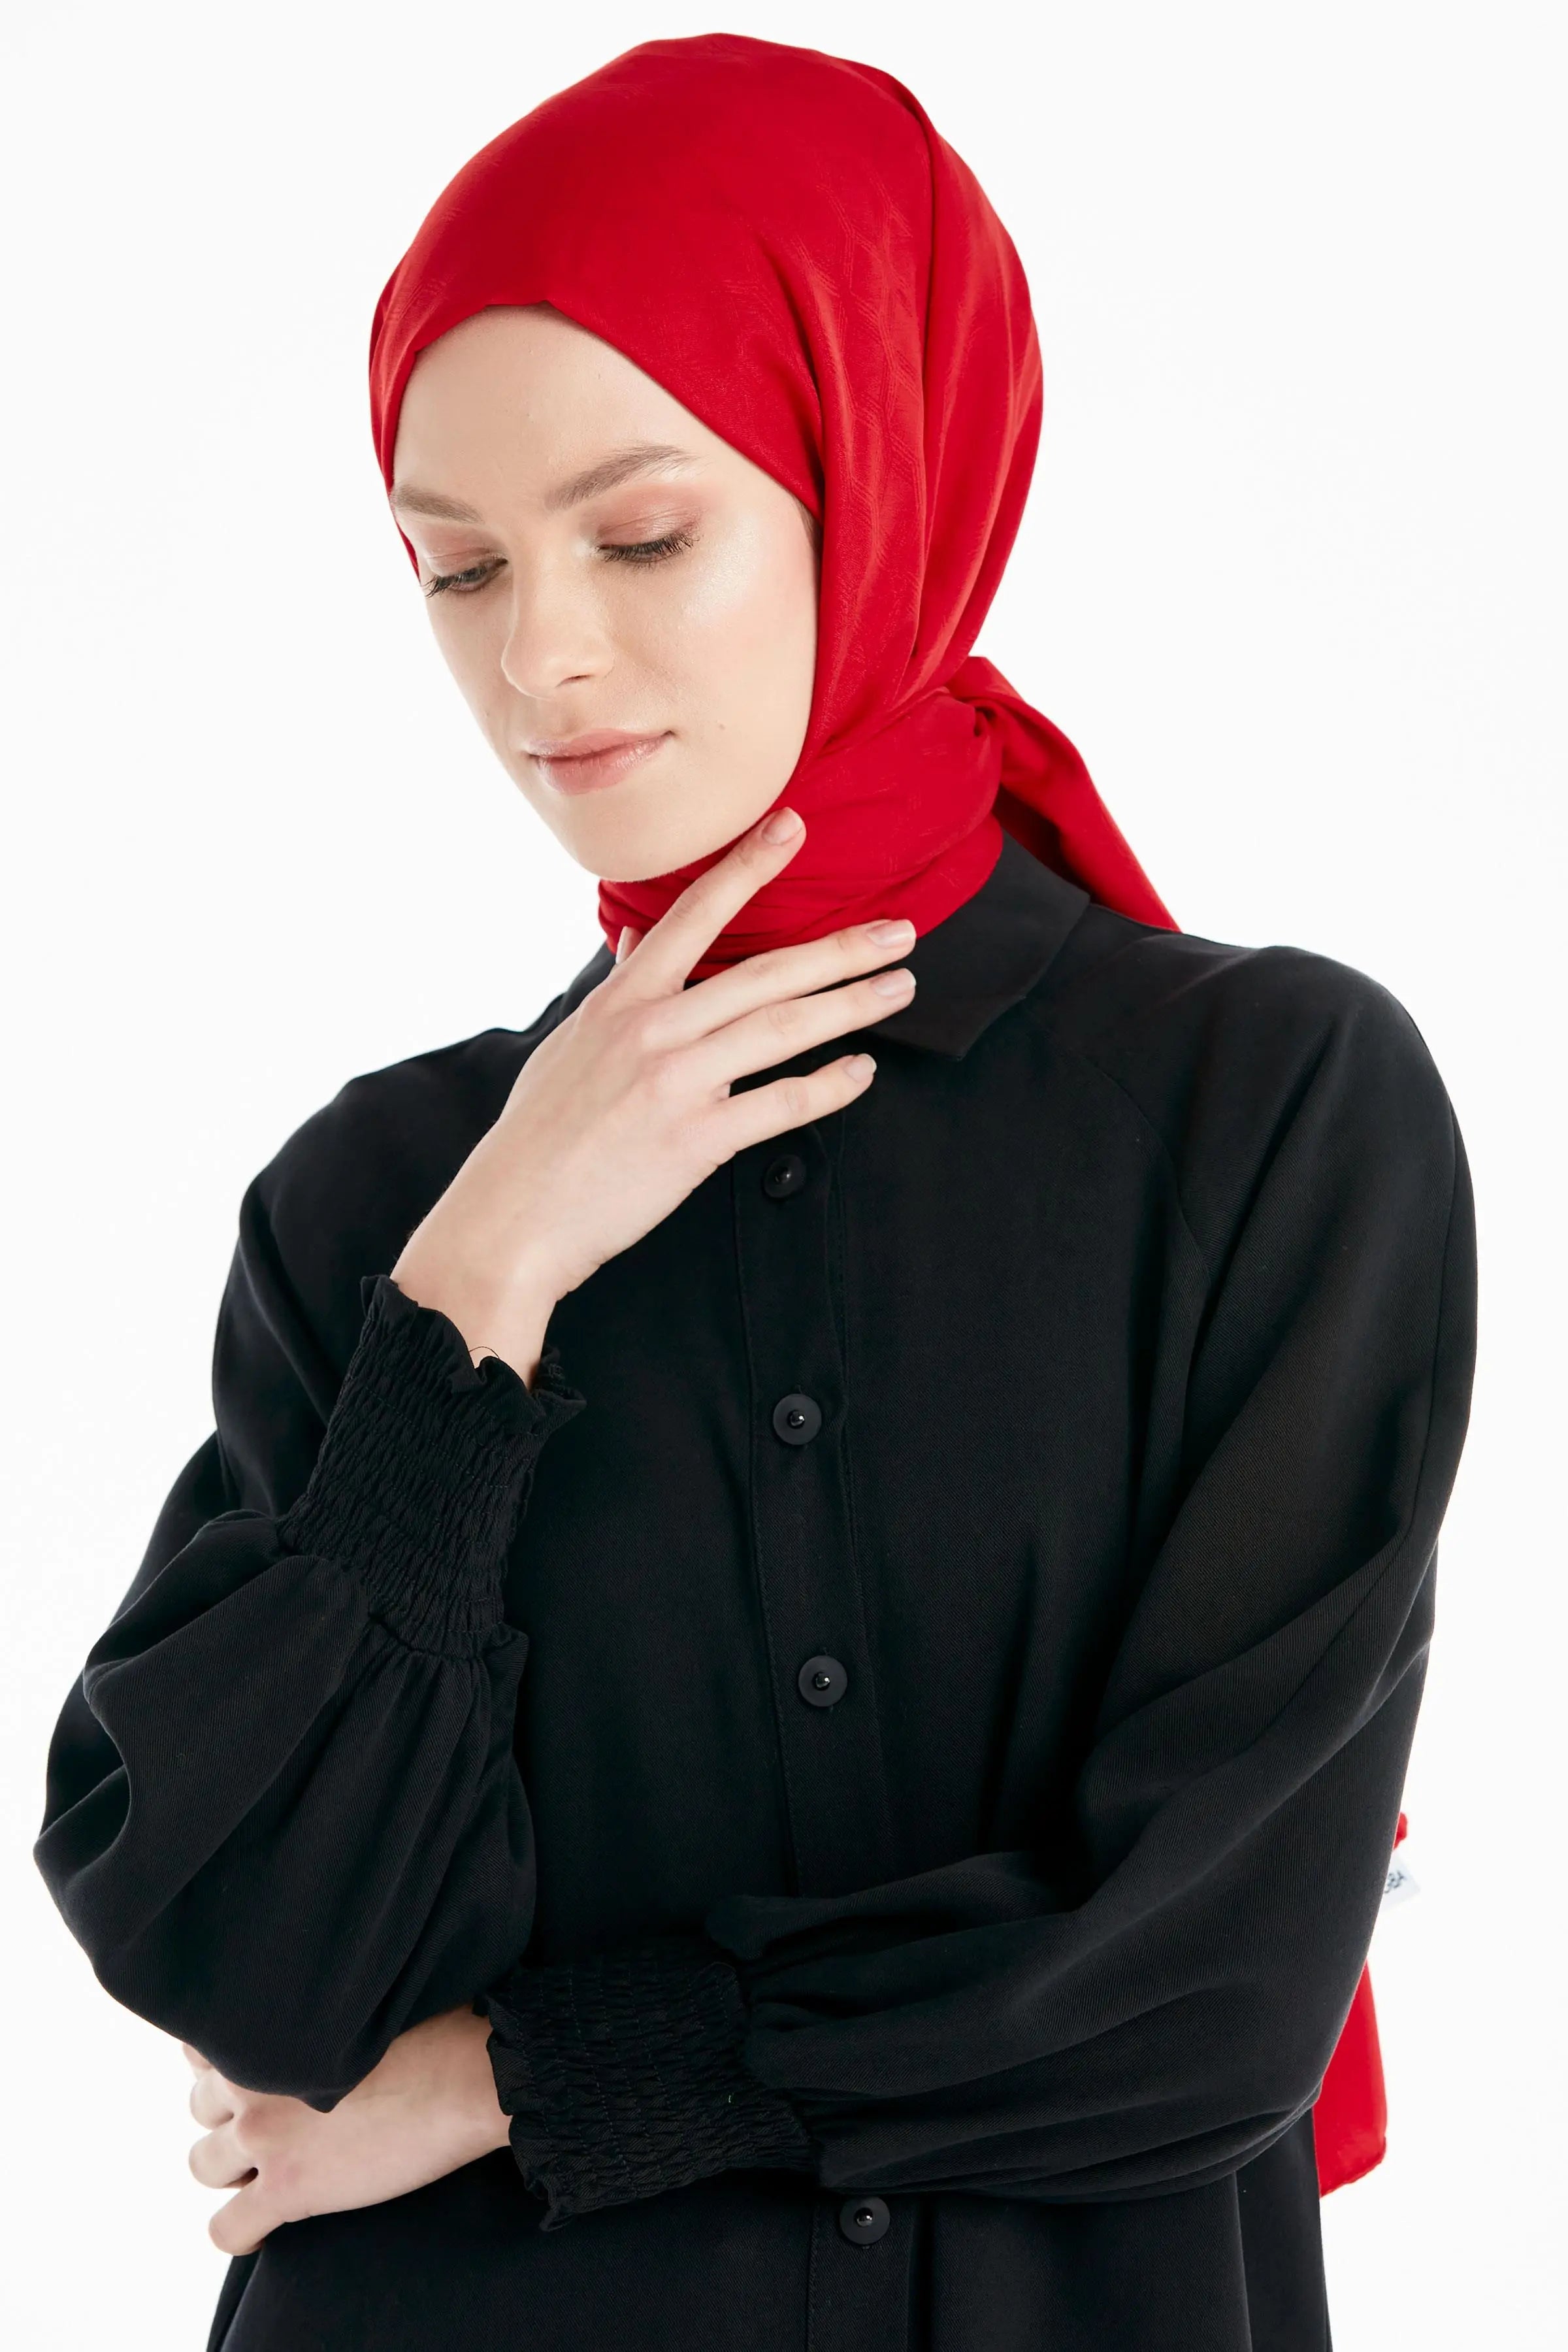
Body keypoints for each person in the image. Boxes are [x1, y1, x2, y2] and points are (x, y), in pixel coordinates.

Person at [33, 32, 1476, 2352]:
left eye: (640, 534)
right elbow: (245, 1962)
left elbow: (1204, 1987)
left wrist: (522, 2079)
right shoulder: (389, 1207)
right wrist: (482, 1289)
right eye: (456, 567)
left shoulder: (1268, 1116)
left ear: (874, 469)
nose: (540, 657)